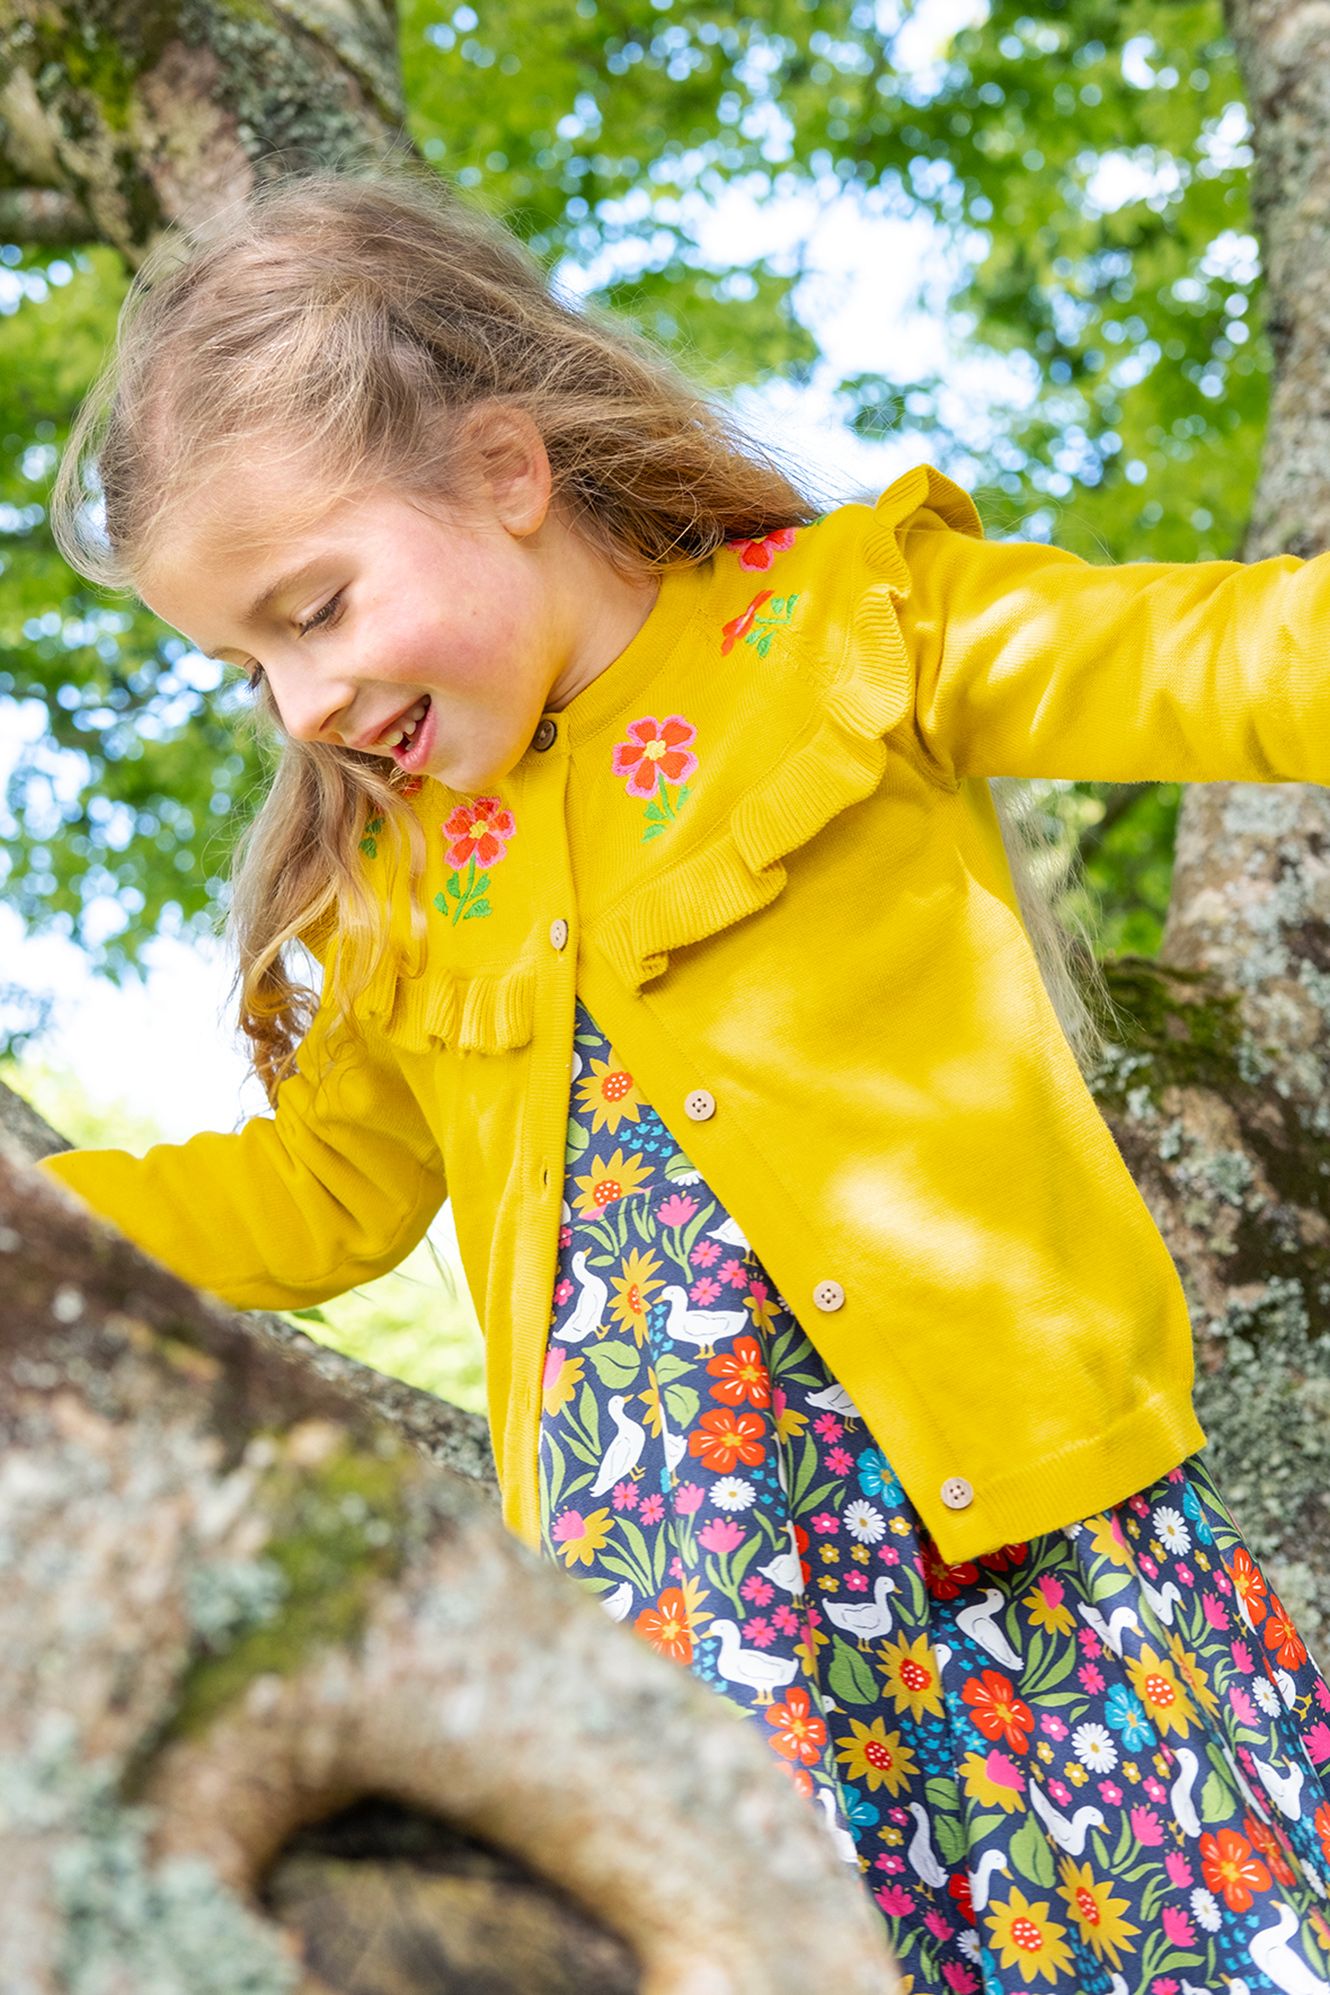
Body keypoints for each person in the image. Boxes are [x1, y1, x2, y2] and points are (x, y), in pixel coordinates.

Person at [38, 163, 1330, 1993]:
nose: (299, 708)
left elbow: (1231, 662)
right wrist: (39, 1211)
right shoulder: (396, 890)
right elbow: (317, 1198)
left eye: (313, 610)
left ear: (504, 472)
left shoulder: (845, 631)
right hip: (676, 1620)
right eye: (248, 665)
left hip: (1032, 1562)